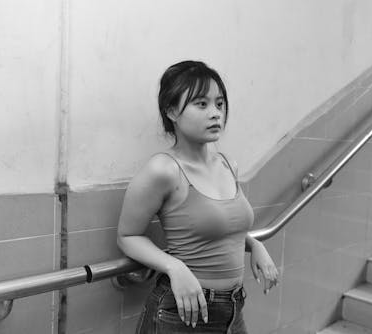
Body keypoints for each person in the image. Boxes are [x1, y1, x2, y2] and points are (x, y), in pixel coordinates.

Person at [117, 60, 278, 334]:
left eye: (219, 103)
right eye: (201, 104)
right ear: (171, 112)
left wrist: (255, 245)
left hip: (233, 309)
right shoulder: (163, 170)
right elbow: (127, 236)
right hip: (182, 313)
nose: (215, 113)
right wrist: (173, 266)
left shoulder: (228, 164)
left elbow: (223, 226)